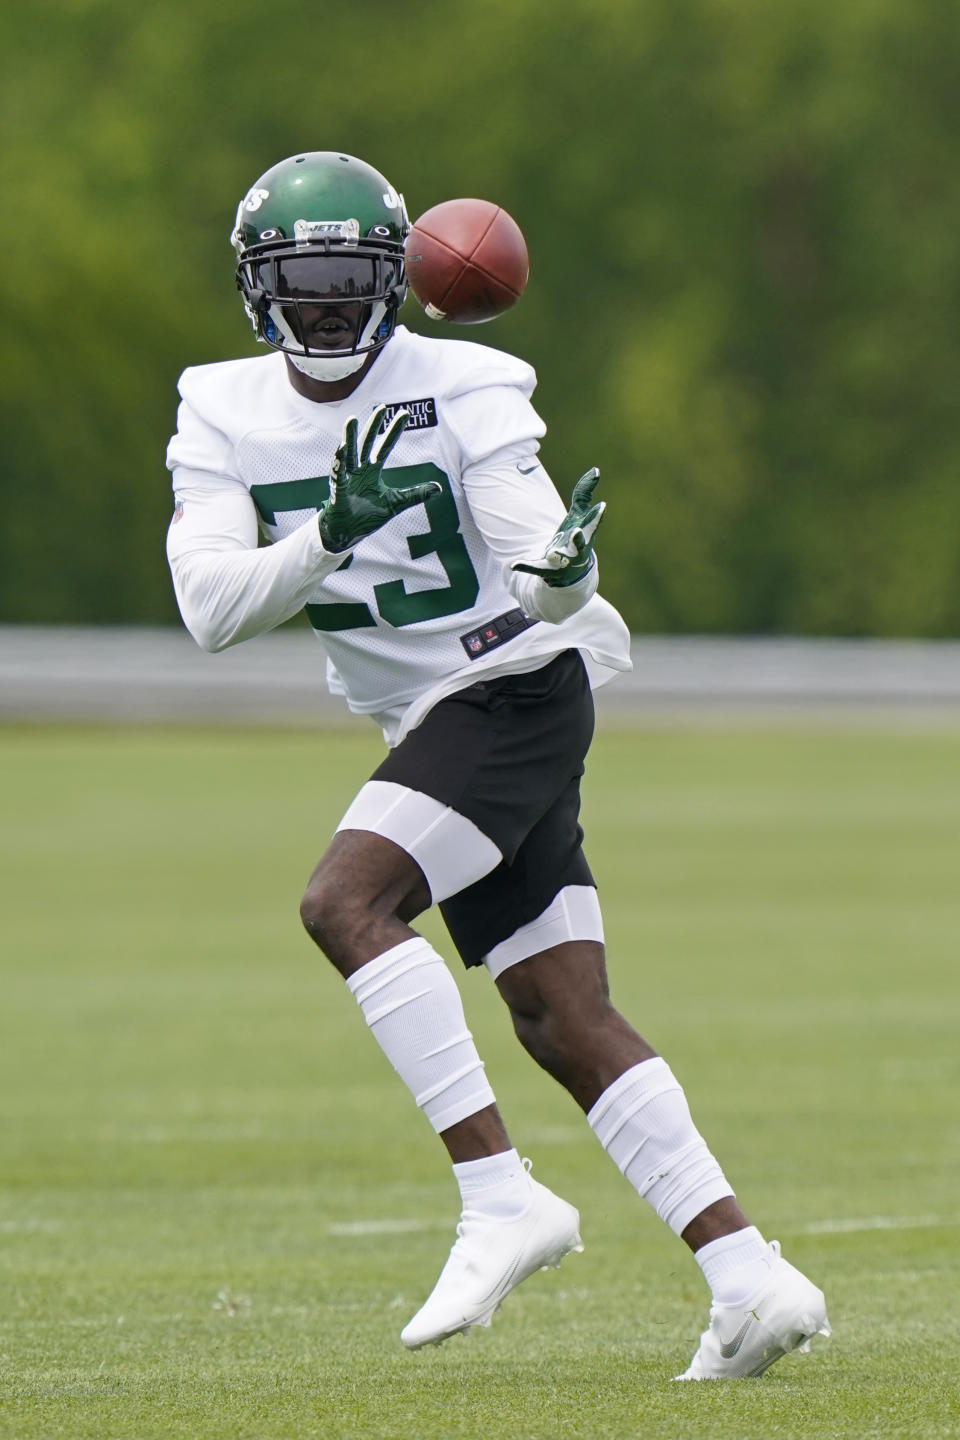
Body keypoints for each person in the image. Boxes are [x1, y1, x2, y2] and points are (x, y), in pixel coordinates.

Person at [165, 150, 830, 1379]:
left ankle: (497, 1194)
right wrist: (329, 535)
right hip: (429, 718)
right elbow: (211, 610)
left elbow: (542, 568)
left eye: (346, 282)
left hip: (513, 682)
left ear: (399, 281)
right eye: (297, 286)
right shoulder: (220, 408)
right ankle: (751, 1277)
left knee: (344, 902)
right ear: (257, 292)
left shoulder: (467, 382)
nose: (321, 309)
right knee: (559, 1014)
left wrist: (569, 570)